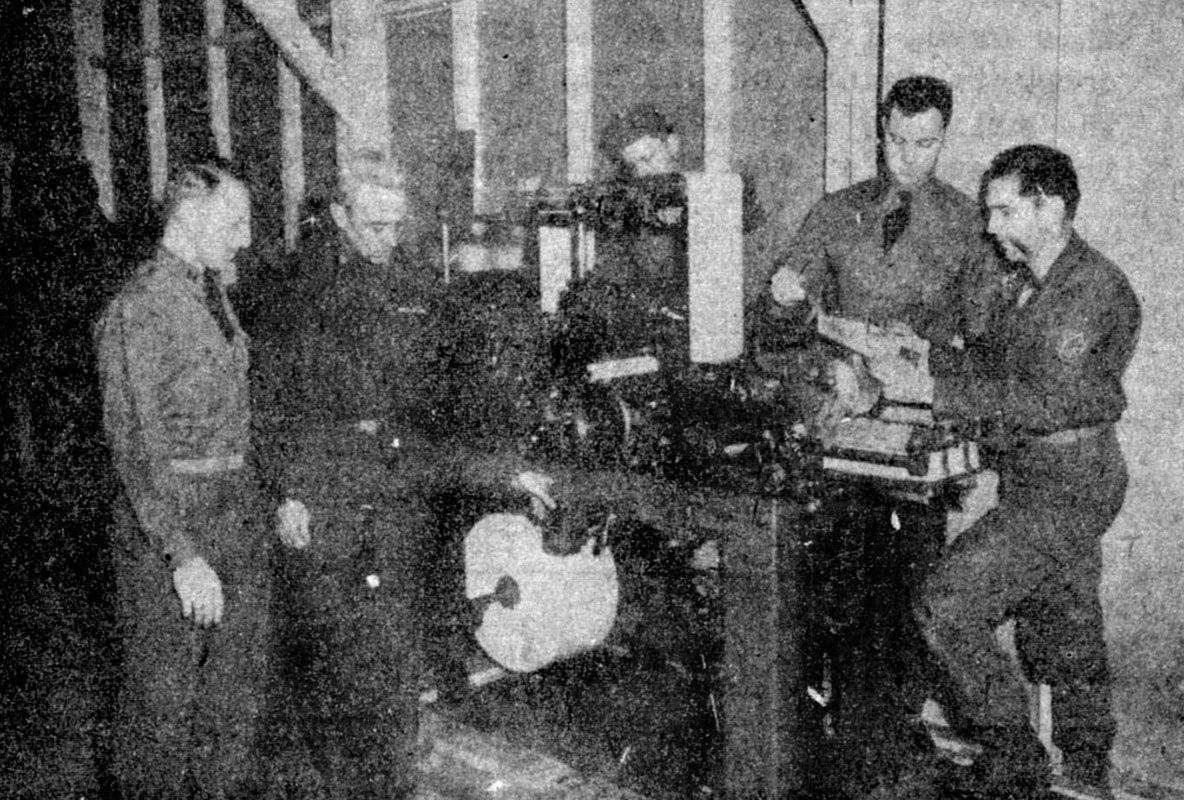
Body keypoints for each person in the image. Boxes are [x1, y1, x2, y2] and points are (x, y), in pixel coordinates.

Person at [253, 149, 556, 800]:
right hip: (326, 507)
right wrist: (285, 492)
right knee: (331, 677)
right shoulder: (295, 293)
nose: (389, 240)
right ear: (340, 216)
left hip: (396, 507)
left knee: (393, 672)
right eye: (375, 226)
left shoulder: (414, 292)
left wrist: (505, 469)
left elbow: (447, 410)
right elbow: (269, 406)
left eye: (397, 225)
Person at [761, 75, 998, 788]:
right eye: (897, 140)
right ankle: (837, 752)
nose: (908, 157)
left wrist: (924, 364)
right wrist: (809, 335)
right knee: (832, 600)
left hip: (913, 447)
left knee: (906, 606)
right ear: (880, 131)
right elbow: (774, 322)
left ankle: (888, 751)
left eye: (925, 144)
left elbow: (987, 347)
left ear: (943, 139)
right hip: (838, 444)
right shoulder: (836, 214)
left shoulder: (968, 225)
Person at [918, 144, 1140, 799]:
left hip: (1070, 481)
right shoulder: (1025, 281)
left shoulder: (1093, 289)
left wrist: (933, 391)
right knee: (1065, 613)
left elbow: (1040, 399)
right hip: (1041, 474)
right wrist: (919, 356)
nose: (991, 227)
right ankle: (1086, 768)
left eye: (1004, 211)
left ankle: (1016, 760)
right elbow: (993, 367)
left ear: (1050, 207)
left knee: (945, 605)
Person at [95, 161, 299, 799]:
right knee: (161, 712)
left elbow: (238, 416)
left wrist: (276, 495)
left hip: (235, 516)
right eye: (234, 221)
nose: (246, 237)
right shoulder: (139, 307)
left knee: (232, 703)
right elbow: (134, 448)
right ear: (187, 212)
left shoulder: (213, 292)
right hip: (169, 526)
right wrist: (182, 556)